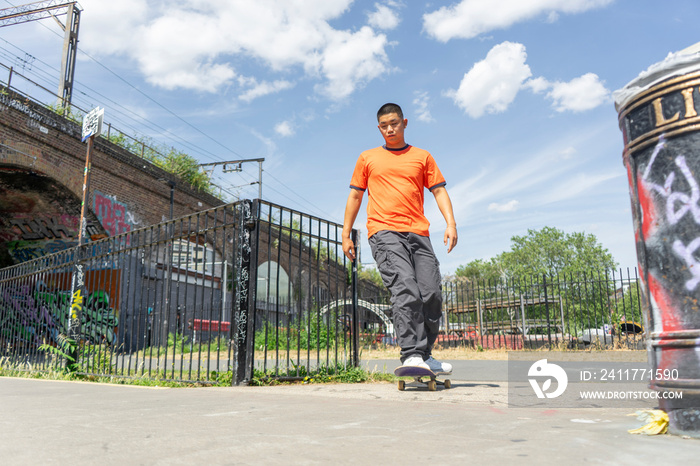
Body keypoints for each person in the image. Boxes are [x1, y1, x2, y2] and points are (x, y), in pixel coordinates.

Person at [342, 102, 458, 373]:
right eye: (384, 126)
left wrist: (450, 223)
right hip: (384, 231)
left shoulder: (422, 156)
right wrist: (346, 234)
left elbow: (439, 191)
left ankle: (425, 355)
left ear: (405, 123)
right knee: (405, 287)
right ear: (379, 128)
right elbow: (356, 195)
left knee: (431, 293)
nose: (390, 129)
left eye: (394, 123)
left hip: (418, 232)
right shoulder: (367, 157)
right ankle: (411, 354)